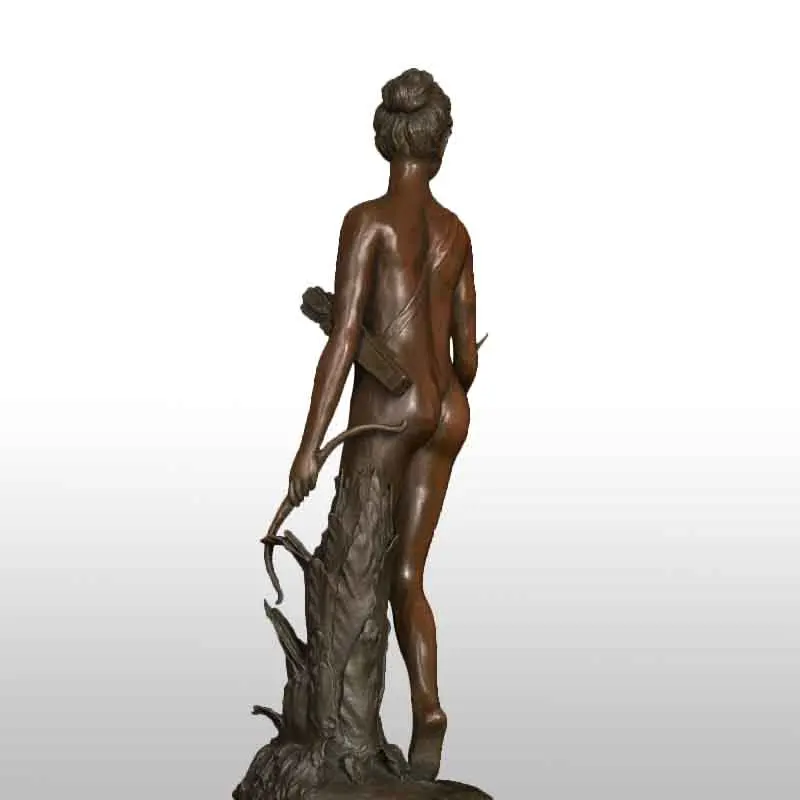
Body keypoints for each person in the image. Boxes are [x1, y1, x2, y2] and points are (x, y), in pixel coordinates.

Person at [286, 68, 478, 781]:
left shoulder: (366, 222)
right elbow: (466, 355)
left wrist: (309, 448)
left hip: (389, 415)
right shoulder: (456, 233)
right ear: (437, 142)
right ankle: (427, 705)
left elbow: (343, 341)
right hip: (446, 410)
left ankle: (345, 740)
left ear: (385, 137)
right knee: (406, 574)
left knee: (358, 572)